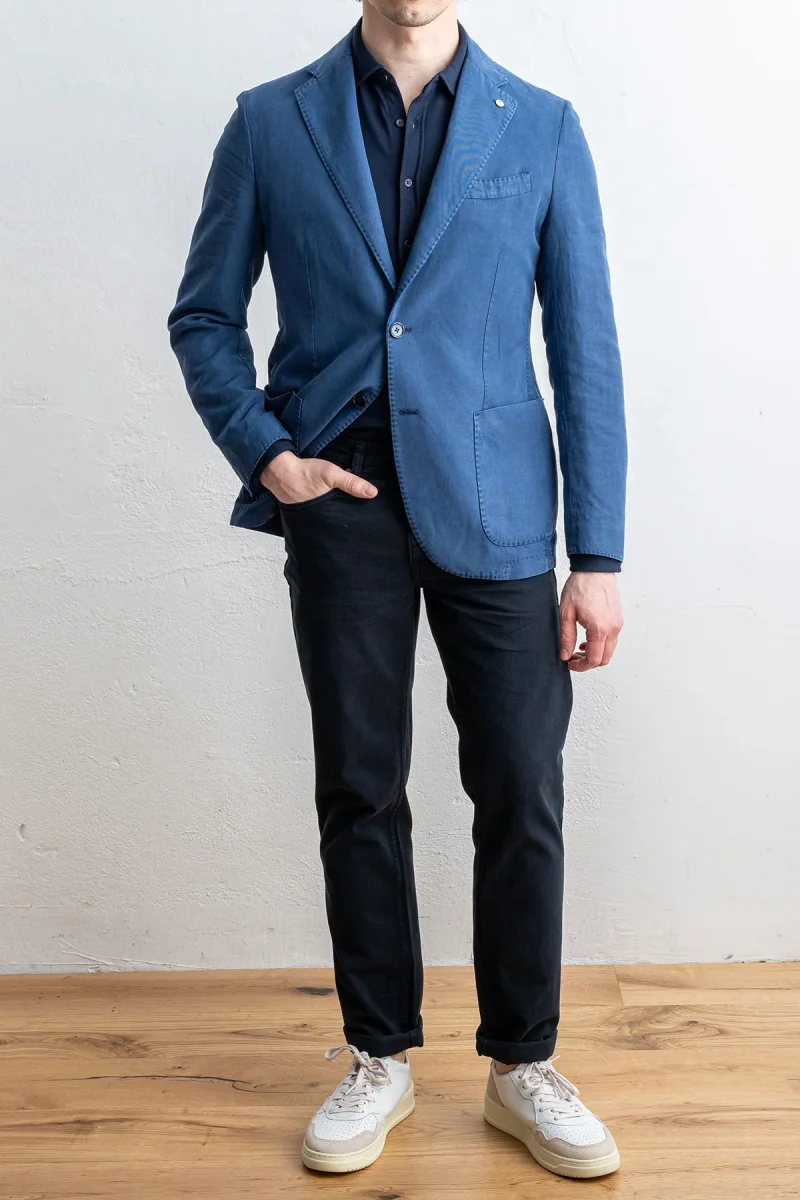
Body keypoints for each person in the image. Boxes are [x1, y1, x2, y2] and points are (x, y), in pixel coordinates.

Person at [168, 0, 626, 1181]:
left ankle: (522, 1062)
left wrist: (597, 556)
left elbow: (582, 347)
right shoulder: (270, 123)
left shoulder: (542, 125)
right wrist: (271, 459)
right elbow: (204, 315)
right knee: (359, 783)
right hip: (341, 495)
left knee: (519, 780)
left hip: (497, 502)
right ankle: (379, 1054)